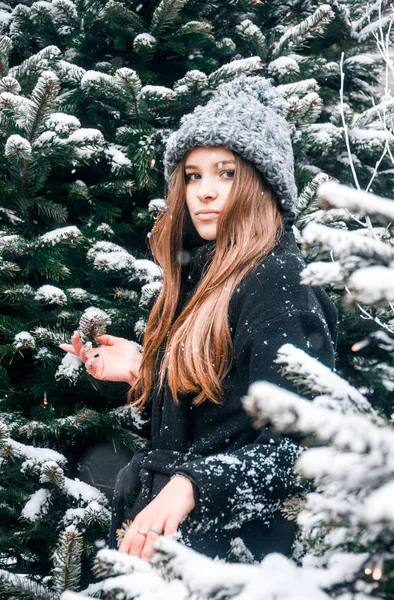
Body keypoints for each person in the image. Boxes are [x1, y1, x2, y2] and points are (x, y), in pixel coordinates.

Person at [60, 75, 338, 564]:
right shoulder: (202, 272)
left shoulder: (276, 278)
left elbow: (303, 443)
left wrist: (193, 485)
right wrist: (147, 371)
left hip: (238, 558)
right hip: (175, 542)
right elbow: (216, 418)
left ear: (261, 182)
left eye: (226, 173)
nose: (205, 192)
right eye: (193, 175)